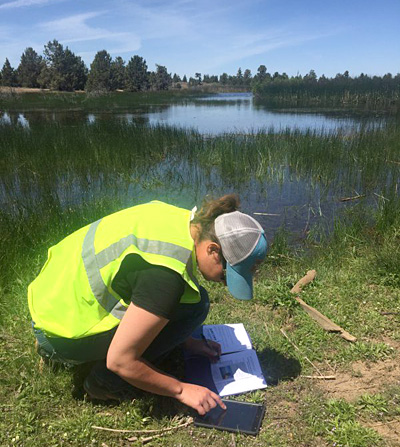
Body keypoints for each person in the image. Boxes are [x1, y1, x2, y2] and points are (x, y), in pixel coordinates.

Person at [28, 194, 267, 415]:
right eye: (226, 275)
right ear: (213, 250)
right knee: (197, 306)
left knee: (195, 302)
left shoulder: (179, 220)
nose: (222, 282)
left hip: (51, 300)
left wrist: (188, 342)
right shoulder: (165, 278)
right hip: (61, 333)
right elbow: (120, 360)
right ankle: (102, 383)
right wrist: (181, 390)